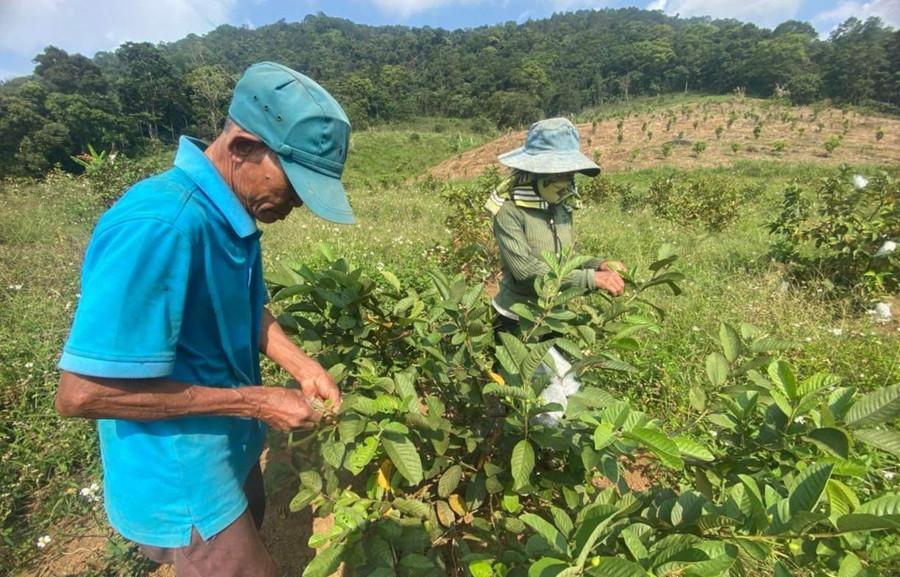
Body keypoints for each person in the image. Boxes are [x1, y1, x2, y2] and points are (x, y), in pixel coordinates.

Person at [54, 61, 354, 576]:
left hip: (228, 447)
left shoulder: (230, 214)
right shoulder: (161, 225)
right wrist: (257, 402)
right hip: (182, 480)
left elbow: (247, 306)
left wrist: (301, 364)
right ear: (242, 148)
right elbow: (82, 394)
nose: (299, 202)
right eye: (296, 182)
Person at [487, 117, 626, 333]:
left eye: (570, 174)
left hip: (552, 314)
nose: (566, 181)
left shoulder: (561, 206)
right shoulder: (510, 210)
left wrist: (598, 264)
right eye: (558, 173)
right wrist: (590, 278)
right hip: (516, 318)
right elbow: (524, 271)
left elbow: (564, 257)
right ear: (535, 173)